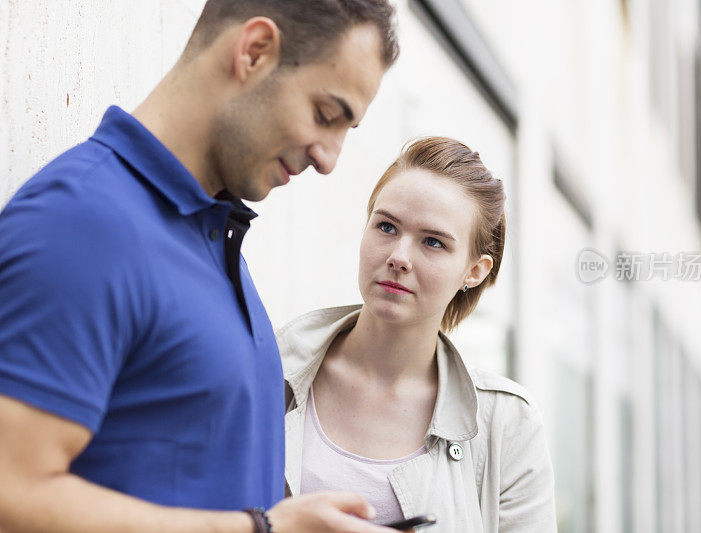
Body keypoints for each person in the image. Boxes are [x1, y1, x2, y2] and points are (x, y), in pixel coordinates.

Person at [0, 1, 407, 532]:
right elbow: (11, 492)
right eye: (327, 115)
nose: (329, 157)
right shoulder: (82, 220)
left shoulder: (209, 237)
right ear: (254, 51)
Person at [278, 137, 558, 532]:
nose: (399, 257)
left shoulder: (507, 424)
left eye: (433, 242)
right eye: (386, 226)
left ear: (474, 271)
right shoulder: (268, 370)